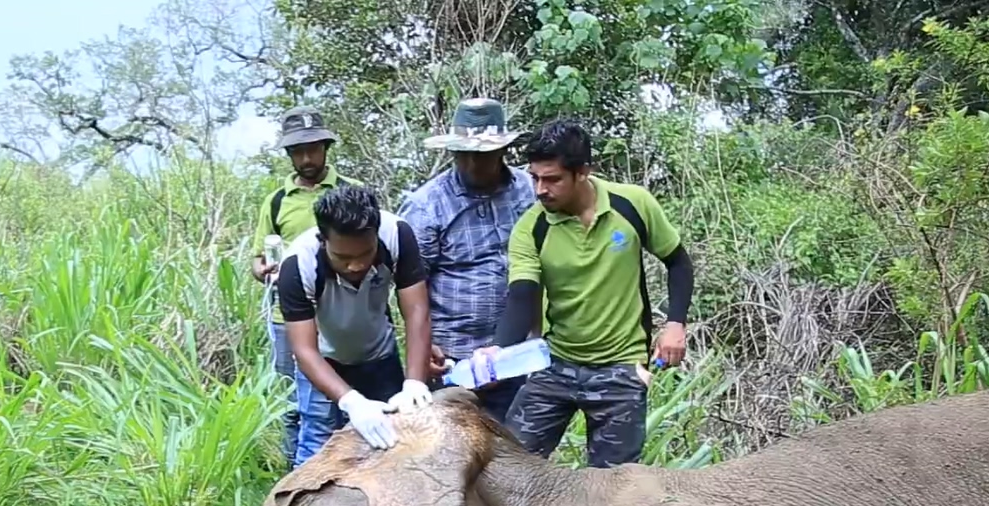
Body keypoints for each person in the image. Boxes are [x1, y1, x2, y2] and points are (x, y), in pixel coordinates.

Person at [480, 118, 695, 467]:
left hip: (620, 368)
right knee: (508, 468)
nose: (540, 190)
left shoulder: (632, 204)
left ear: (583, 172)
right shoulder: (531, 227)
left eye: (552, 179)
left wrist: (675, 324)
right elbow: (522, 294)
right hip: (557, 363)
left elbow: (679, 263)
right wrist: (498, 349)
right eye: (534, 177)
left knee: (612, 490)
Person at [397, 97, 537, 423]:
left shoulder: (530, 191)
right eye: (465, 155)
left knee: (512, 454)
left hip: (514, 353)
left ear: (502, 150)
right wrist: (423, 345)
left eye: (483, 155)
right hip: (452, 357)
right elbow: (410, 284)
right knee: (448, 453)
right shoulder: (427, 205)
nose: (473, 164)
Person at [276, 184, 436, 465]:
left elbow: (416, 311)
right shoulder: (297, 264)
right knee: (317, 441)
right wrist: (352, 402)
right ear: (323, 240)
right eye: (344, 258)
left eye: (365, 254)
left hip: (379, 354)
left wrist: (414, 382)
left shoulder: (396, 234)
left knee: (395, 439)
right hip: (324, 361)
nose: (356, 266)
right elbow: (304, 350)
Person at [251, 106, 362, 468]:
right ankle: (294, 472)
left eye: (313, 149)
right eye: (298, 151)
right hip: (288, 315)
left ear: (326, 148)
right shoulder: (277, 202)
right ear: (288, 155)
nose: (307, 158)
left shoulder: (352, 192)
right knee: (292, 400)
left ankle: (349, 467)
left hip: (344, 312)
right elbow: (256, 260)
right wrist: (264, 269)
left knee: (348, 395)